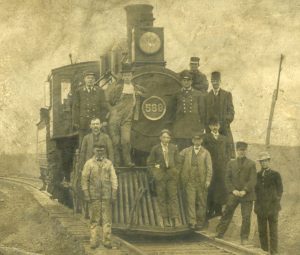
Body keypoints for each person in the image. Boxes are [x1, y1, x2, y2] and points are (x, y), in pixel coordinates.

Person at [216, 141, 257, 245]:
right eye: (239, 150)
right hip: (234, 193)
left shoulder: (251, 164)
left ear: (246, 151)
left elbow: (253, 180)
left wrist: (245, 190)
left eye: (243, 150)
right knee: (227, 212)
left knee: (246, 217)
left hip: (246, 195)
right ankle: (220, 233)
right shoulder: (231, 163)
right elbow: (227, 178)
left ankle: (244, 238)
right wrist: (233, 190)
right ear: (237, 150)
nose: (241, 152)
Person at [108, 63, 146, 167]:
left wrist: (140, 94)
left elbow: (146, 92)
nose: (127, 77)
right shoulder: (118, 88)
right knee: (115, 142)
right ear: (122, 76)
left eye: (129, 75)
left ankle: (127, 162)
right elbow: (110, 100)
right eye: (125, 75)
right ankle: (117, 162)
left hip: (127, 119)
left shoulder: (135, 87)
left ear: (132, 76)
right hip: (115, 118)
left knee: (126, 141)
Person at [81, 144, 118, 249]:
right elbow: (84, 179)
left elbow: (114, 179)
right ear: (94, 151)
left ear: (104, 151)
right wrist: (86, 193)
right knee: (94, 220)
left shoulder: (109, 163)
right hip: (94, 196)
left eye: (102, 150)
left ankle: (107, 241)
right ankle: (94, 241)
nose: (100, 152)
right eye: (98, 150)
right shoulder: (89, 163)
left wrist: (114, 193)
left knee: (107, 220)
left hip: (106, 195)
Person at [78, 118, 114, 218]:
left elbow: (111, 152)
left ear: (101, 126)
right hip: (90, 166)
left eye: (97, 124)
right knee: (89, 188)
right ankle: (88, 211)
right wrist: (82, 167)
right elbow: (82, 153)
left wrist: (111, 166)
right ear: (90, 126)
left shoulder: (106, 137)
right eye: (93, 124)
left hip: (103, 166)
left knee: (103, 188)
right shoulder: (86, 138)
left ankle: (103, 213)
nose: (95, 126)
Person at [147, 129, 181, 228]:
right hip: (160, 176)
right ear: (160, 138)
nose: (166, 139)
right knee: (162, 198)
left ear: (170, 139)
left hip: (171, 176)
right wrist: (156, 172)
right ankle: (165, 219)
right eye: (164, 137)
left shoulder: (174, 148)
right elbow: (150, 163)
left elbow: (178, 162)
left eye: (168, 137)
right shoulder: (155, 149)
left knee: (173, 197)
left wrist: (176, 171)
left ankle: (175, 219)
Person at [179, 133, 212, 230]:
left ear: (201, 141)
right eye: (195, 140)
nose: (197, 142)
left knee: (201, 202)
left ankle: (200, 222)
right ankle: (192, 222)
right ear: (192, 141)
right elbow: (178, 160)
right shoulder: (186, 151)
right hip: (190, 181)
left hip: (201, 181)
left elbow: (209, 168)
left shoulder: (206, 153)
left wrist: (208, 180)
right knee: (191, 201)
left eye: (199, 140)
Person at [255, 151, 283, 255]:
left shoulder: (276, 175)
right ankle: (264, 252)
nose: (263, 163)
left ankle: (274, 253)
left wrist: (275, 201)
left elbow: (280, 190)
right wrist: (257, 205)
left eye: (265, 161)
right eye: (261, 162)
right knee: (262, 232)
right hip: (261, 208)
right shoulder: (257, 175)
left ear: (269, 161)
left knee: (273, 232)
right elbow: (255, 190)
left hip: (272, 208)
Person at [202, 117, 231, 218]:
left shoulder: (224, 139)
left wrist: (225, 162)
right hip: (210, 167)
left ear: (219, 126)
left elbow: (228, 152)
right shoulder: (205, 138)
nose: (215, 127)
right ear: (209, 127)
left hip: (221, 168)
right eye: (213, 125)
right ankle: (209, 211)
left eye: (217, 125)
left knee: (220, 189)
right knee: (210, 188)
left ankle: (218, 211)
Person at [72, 71, 110, 146]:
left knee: (98, 144)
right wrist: (76, 122)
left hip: (96, 122)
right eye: (88, 78)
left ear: (95, 80)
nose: (90, 80)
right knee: (83, 144)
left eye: (92, 78)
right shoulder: (79, 91)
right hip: (83, 123)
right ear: (84, 79)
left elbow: (104, 107)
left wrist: (103, 120)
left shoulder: (100, 91)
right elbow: (75, 108)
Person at [173, 70, 206, 151]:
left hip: (194, 128)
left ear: (191, 81)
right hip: (180, 128)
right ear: (181, 81)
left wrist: (202, 127)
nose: (186, 82)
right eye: (184, 80)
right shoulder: (177, 94)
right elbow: (173, 112)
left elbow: (202, 112)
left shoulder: (198, 94)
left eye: (188, 80)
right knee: (181, 151)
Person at [205, 71, 235, 158]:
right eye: (213, 81)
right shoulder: (207, 96)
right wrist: (209, 126)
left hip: (224, 129)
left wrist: (224, 122)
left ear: (220, 81)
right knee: (210, 153)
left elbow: (231, 112)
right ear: (211, 82)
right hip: (210, 129)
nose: (215, 83)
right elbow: (205, 114)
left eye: (217, 81)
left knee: (226, 153)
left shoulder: (227, 95)